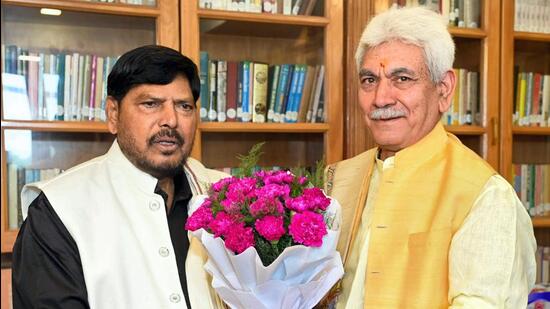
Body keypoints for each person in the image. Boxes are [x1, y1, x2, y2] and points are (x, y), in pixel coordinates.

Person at [324, 7, 537, 308]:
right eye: (369, 80)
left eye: (402, 78)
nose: (381, 98)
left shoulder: (484, 195)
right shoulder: (338, 179)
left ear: (444, 89)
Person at [12, 45, 228, 309]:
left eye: (184, 106)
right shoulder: (58, 210)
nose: (170, 120)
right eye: (151, 104)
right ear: (113, 114)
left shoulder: (226, 195)